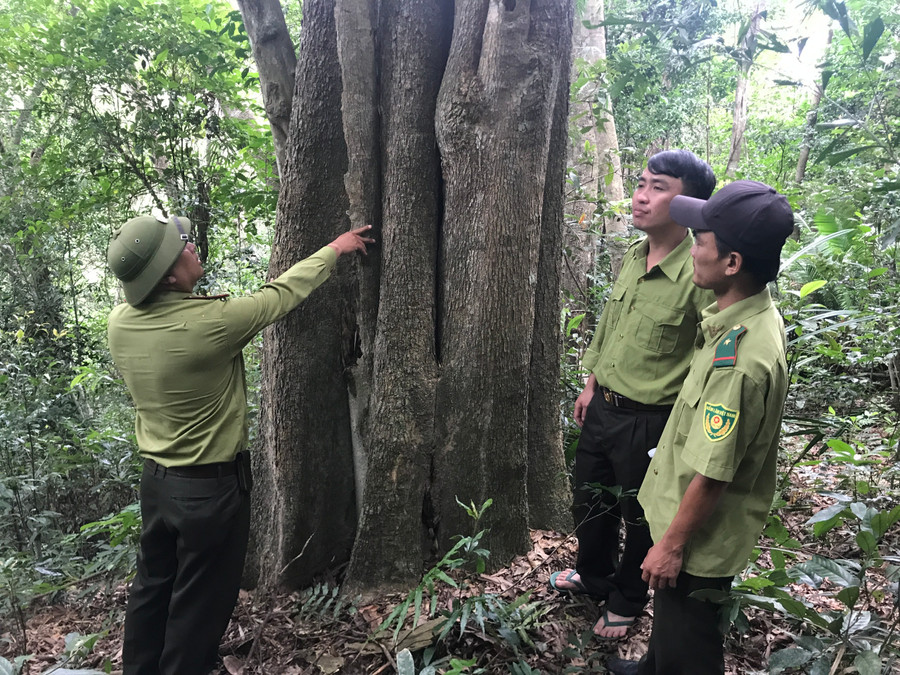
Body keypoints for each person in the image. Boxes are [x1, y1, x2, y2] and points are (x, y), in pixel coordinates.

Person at [106, 214, 374, 675]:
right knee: (200, 608)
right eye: (182, 246)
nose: (192, 246)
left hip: (157, 486)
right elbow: (281, 295)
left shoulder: (120, 323)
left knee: (152, 589)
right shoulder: (212, 324)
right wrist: (336, 247)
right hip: (209, 493)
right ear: (169, 276)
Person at [606, 180, 794, 675]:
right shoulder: (733, 321)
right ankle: (651, 666)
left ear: (731, 262)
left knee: (690, 642)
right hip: (683, 522)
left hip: (697, 541)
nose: (693, 248)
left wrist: (669, 546)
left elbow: (714, 473)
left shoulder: (741, 361)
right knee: (671, 621)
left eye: (702, 239)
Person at [549, 150, 716, 638]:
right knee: (591, 501)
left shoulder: (699, 272)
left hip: (653, 420)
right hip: (604, 407)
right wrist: (591, 383)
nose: (641, 196)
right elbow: (611, 326)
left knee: (641, 515)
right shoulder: (633, 255)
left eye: (658, 187)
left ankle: (626, 598)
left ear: (690, 202)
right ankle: (594, 576)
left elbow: (710, 356)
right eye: (642, 183)